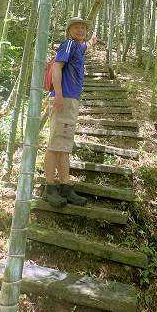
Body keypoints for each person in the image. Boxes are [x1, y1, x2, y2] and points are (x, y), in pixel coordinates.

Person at [43, 17, 98, 207]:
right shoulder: (68, 44)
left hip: (71, 100)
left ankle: (65, 186)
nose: (80, 29)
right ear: (69, 30)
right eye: (76, 27)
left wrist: (92, 41)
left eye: (83, 27)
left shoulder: (79, 47)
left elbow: (87, 46)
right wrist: (58, 94)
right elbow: (57, 67)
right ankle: (50, 187)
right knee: (55, 144)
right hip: (63, 99)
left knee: (63, 145)